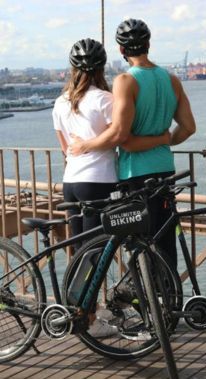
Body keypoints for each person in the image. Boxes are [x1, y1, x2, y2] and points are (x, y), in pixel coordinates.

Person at [69, 19, 196, 267]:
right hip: (165, 169)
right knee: (165, 237)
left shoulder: (126, 81)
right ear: (148, 44)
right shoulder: (172, 80)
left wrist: (85, 146)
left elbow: (120, 136)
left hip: (136, 174)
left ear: (121, 50)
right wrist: (164, 139)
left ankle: (148, 301)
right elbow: (189, 127)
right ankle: (170, 299)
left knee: (141, 241)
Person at [53, 38, 170, 243]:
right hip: (98, 181)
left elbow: (66, 148)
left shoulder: (60, 102)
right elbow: (118, 136)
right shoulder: (104, 98)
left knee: (80, 250)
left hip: (70, 182)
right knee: (95, 248)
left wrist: (82, 146)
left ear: (72, 68)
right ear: (101, 68)